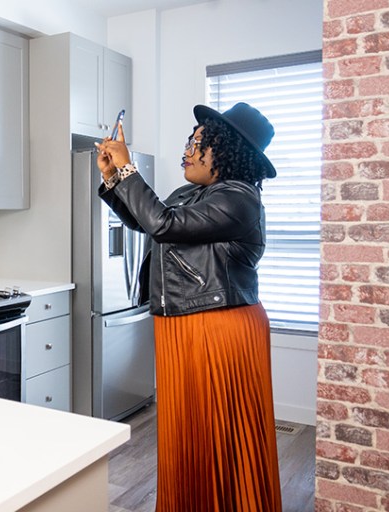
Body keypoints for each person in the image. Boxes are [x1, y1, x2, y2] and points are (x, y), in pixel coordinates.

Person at [95, 102, 282, 512]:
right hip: (182, 323)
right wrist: (113, 177)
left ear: (228, 152)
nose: (188, 150)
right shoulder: (195, 194)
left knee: (220, 436)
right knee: (189, 433)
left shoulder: (239, 199)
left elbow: (164, 224)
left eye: (200, 143)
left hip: (218, 327)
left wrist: (128, 172)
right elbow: (148, 220)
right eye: (190, 140)